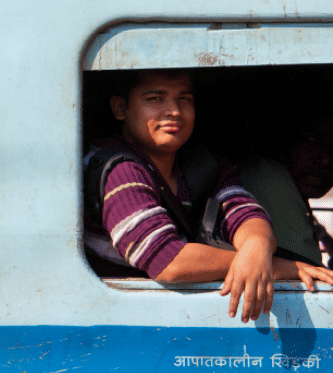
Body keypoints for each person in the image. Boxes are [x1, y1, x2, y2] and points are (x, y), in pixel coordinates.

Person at [83, 69, 333, 322]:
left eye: (184, 99)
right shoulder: (117, 169)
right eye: (155, 99)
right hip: (119, 322)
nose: (174, 111)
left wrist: (257, 247)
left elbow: (242, 211)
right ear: (120, 108)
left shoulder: (200, 166)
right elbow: (167, 260)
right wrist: (274, 266)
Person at [238, 116, 333, 267]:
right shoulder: (267, 178)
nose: (326, 159)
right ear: (281, 138)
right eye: (311, 140)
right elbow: (309, 272)